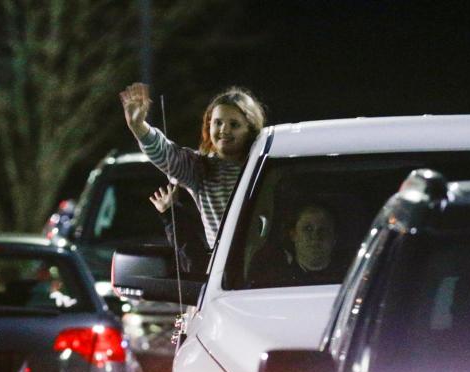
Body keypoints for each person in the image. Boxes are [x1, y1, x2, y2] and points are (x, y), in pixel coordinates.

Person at [119, 82, 266, 249]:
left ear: (251, 129)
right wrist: (139, 127)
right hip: (225, 269)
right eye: (217, 123)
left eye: (234, 124)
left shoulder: (264, 167)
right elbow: (166, 154)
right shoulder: (200, 168)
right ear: (208, 125)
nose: (224, 130)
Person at [248, 201, 342, 286]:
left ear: (334, 237)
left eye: (323, 230)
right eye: (307, 229)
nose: (315, 236)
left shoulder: (349, 279)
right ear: (293, 235)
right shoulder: (276, 281)